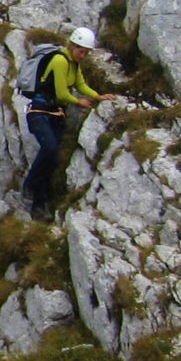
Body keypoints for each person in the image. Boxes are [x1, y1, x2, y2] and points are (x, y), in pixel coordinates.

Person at [22, 26, 114, 220]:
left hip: (55, 114)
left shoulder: (74, 63)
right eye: (81, 51)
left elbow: (80, 85)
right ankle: (30, 186)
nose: (84, 55)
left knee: (53, 157)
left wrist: (99, 96)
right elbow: (62, 92)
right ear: (72, 46)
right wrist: (78, 101)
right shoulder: (59, 60)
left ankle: (40, 201)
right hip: (39, 112)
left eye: (86, 53)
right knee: (50, 149)